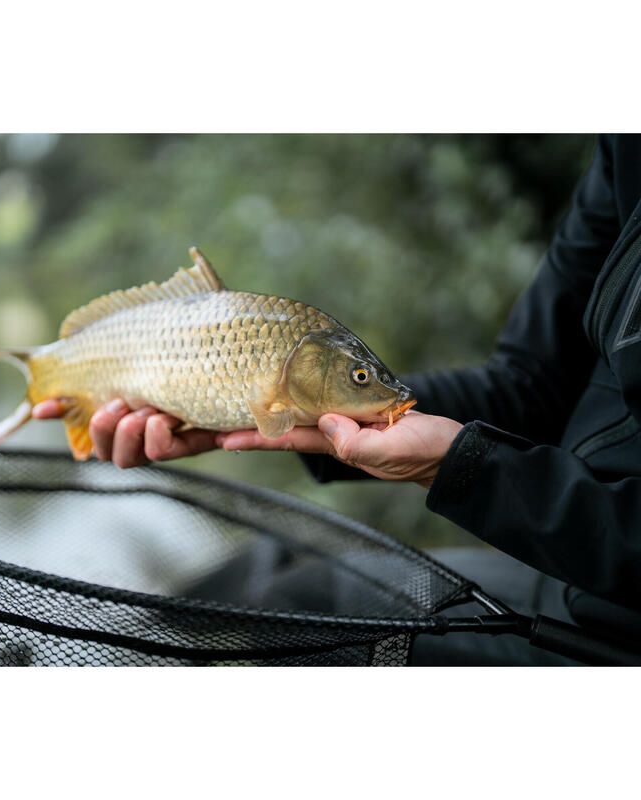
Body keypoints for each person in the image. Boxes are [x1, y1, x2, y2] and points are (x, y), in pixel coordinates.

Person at [34, 134, 641, 664]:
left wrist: (452, 464)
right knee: (291, 586)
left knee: (308, 613)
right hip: (566, 569)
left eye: (359, 380)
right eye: (357, 378)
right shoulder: (625, 145)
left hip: (619, 618)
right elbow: (529, 384)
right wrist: (342, 427)